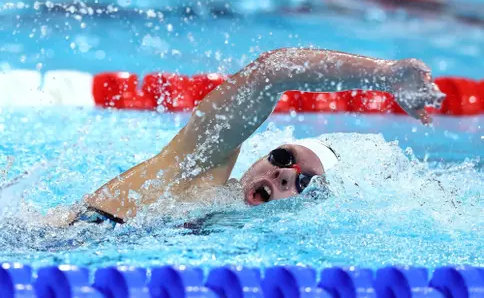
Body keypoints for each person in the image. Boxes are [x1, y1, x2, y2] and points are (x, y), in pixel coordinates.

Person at [43, 48, 443, 227]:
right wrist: (384, 76)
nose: (286, 174)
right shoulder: (200, 170)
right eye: (284, 157)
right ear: (259, 156)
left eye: (303, 181)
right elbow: (270, 72)